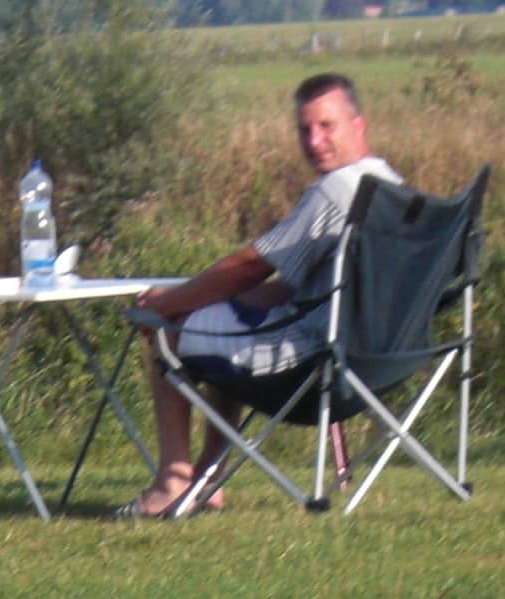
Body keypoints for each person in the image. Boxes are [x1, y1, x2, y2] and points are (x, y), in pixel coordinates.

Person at [116, 75, 401, 519]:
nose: (314, 141)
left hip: (308, 363)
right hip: (376, 363)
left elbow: (251, 264)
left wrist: (165, 306)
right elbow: (289, 286)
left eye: (327, 126)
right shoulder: (391, 187)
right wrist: (201, 300)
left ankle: (173, 482)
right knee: (220, 321)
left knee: (169, 330)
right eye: (304, 130)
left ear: (357, 124)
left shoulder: (336, 190)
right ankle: (208, 481)